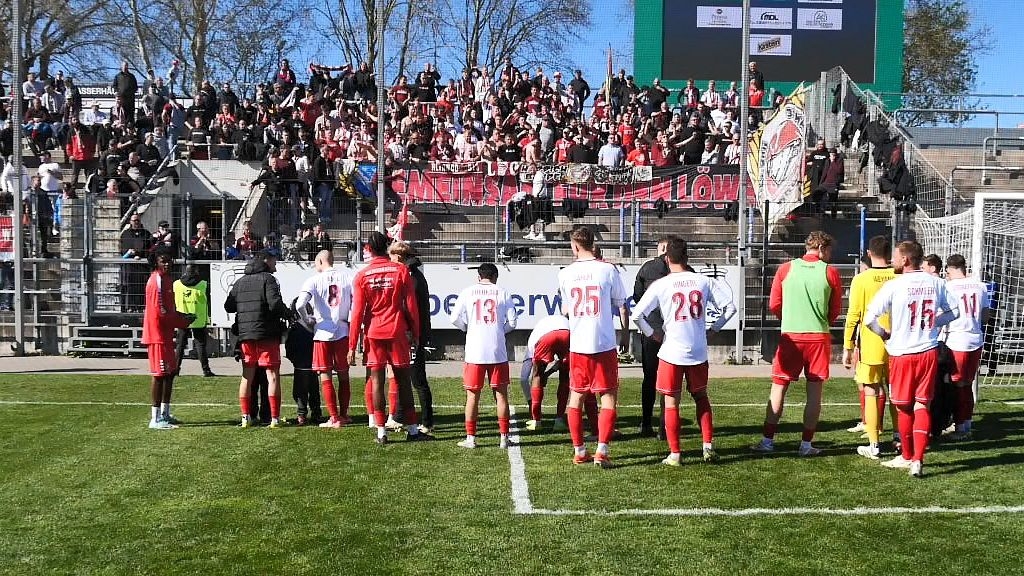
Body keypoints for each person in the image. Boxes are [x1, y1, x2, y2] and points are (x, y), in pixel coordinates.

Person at [631, 237, 736, 465]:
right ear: (687, 257)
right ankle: (707, 446)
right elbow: (730, 307)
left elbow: (637, 315)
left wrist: (652, 333)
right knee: (701, 397)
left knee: (671, 402)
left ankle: (675, 454)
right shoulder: (703, 281)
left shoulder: (661, 284)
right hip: (697, 350)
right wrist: (714, 329)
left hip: (671, 351)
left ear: (667, 259)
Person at [864, 241, 958, 477]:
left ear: (905, 259)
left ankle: (907, 456)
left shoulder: (894, 285)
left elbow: (869, 319)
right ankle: (918, 459)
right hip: (928, 351)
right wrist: (934, 324)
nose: (892, 260)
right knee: (922, 404)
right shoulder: (936, 282)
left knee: (904, 407)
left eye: (896, 256)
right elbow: (955, 311)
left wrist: (884, 334)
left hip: (902, 354)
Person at [753, 231, 842, 456]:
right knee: (814, 394)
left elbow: (774, 304)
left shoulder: (785, 269)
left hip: (791, 336)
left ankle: (767, 440)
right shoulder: (830, 272)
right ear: (821, 248)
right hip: (817, 338)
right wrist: (821, 321)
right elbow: (835, 309)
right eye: (829, 251)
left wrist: (790, 318)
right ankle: (806, 444)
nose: (830, 255)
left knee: (778, 387)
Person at [347, 231, 431, 444]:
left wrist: (352, 345)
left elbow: (357, 313)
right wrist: (416, 333)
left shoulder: (362, 275)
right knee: (403, 381)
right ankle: (412, 430)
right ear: (386, 247)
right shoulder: (401, 270)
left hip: (374, 333)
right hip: (397, 332)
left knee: (377, 381)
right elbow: (411, 307)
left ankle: (381, 432)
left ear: (368, 249)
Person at [557, 226, 627, 468]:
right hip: (603, 343)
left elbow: (566, 309)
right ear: (593, 243)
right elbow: (621, 304)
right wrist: (624, 333)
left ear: (575, 246)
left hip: (579, 345)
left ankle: (579, 450)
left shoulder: (565, 273)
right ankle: (602, 451)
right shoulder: (608, 270)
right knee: (608, 397)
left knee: (576, 397)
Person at [449, 263, 518, 449]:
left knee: (472, 396)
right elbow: (512, 322)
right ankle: (504, 437)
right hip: (497, 351)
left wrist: (467, 328)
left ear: (479, 277)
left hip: (475, 352)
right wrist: (500, 331)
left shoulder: (468, 292)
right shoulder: (502, 292)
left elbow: (454, 318)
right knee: (501, 395)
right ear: (495, 277)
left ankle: (471, 438)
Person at [843, 236, 897, 460]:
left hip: (871, 343)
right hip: (897, 343)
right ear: (889, 253)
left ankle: (874, 444)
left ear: (868, 253)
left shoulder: (861, 279)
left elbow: (854, 314)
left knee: (871, 390)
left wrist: (848, 346)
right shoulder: (899, 276)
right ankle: (899, 438)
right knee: (896, 392)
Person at [224, 248, 291, 428]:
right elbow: (274, 303)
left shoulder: (240, 281)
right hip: (266, 333)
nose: (276, 263)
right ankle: (275, 419)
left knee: (247, 376)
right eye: (274, 259)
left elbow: (229, 306)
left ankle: (246, 418)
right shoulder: (268, 279)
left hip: (245, 335)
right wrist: (288, 313)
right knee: (272, 376)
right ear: (266, 260)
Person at [295, 250, 355, 429]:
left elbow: (300, 304)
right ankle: (344, 415)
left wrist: (307, 319)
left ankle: (334, 418)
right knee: (343, 375)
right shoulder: (347, 277)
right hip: (342, 330)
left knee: (325, 375)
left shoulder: (313, 280)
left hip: (322, 332)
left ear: (321, 261)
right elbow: (356, 303)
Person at [142, 248, 194, 429]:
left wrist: (181, 316)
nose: (167, 263)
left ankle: (165, 413)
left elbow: (168, 309)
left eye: (169, 260)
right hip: (157, 335)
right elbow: (160, 312)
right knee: (160, 375)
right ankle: (155, 419)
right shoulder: (156, 280)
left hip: (166, 334)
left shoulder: (167, 279)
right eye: (163, 260)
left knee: (170, 374)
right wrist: (182, 321)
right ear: (155, 262)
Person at [943, 254, 992, 440]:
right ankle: (966, 422)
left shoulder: (948, 287)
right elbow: (986, 316)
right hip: (975, 339)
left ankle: (960, 427)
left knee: (957, 385)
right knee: (967, 384)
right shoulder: (980, 286)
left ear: (950, 269)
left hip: (957, 340)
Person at [389, 241, 435, 433]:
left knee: (417, 379)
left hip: (414, 335)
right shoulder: (412, 274)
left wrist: (413, 333)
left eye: (392, 256)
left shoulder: (412, 277)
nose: (390, 260)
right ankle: (400, 417)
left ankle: (427, 421)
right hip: (411, 333)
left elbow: (411, 309)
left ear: (399, 257)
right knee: (405, 376)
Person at [632, 235, 675, 437]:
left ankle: (647, 422)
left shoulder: (647, 268)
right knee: (671, 380)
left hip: (651, 328)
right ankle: (664, 425)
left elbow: (637, 297)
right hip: (673, 331)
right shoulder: (683, 270)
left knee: (650, 377)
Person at [173, 265, 215, 377]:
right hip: (198, 319)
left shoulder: (176, 284)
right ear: (196, 272)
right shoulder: (203, 284)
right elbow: (208, 301)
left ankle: (175, 369)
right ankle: (206, 370)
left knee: (180, 345)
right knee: (200, 345)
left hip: (182, 318)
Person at [287, 297, 322, 426]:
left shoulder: (295, 328)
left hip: (300, 365)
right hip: (313, 364)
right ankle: (316, 413)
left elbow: (289, 348)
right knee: (314, 391)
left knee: (300, 392)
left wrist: (294, 360)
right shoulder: (316, 326)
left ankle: (302, 414)